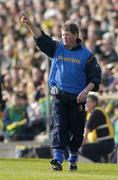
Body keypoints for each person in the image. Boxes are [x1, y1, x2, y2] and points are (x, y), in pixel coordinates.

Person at [20, 14, 101, 171]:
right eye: (63, 35)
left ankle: (73, 158)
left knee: (77, 131)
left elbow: (95, 78)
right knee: (59, 126)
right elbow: (42, 38)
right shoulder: (57, 48)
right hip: (59, 96)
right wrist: (29, 24)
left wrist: (85, 92)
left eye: (68, 35)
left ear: (76, 36)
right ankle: (57, 159)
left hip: (78, 98)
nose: (64, 38)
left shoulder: (87, 56)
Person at [80, 95, 114, 163]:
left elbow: (87, 129)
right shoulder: (93, 113)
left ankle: (101, 161)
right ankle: (104, 160)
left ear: (94, 103)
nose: (86, 104)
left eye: (88, 102)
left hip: (107, 144)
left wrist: (82, 143)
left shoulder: (97, 111)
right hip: (104, 143)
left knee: (83, 149)